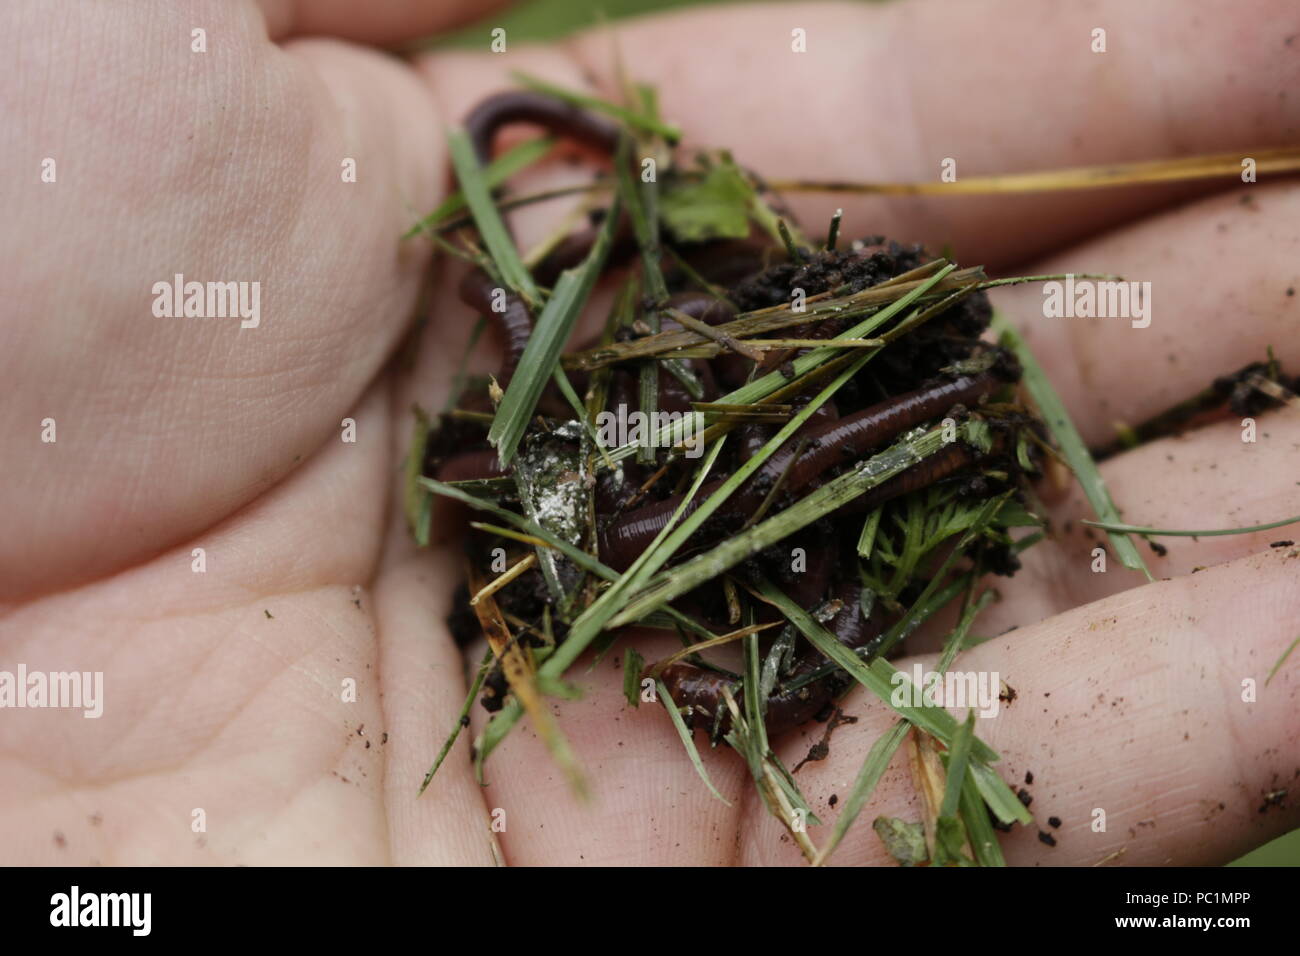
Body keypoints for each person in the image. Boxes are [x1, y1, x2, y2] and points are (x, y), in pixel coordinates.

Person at [1, 0, 1296, 866]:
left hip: (657, 476)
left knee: (699, 478)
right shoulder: (566, 472)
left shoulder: (640, 414)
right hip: (604, 489)